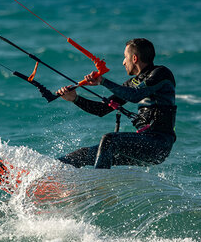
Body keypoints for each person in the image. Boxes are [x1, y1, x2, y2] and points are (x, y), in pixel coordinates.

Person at [56, 38, 177, 169]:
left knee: (109, 140)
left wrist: (102, 81)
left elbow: (135, 95)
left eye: (125, 57)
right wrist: (75, 98)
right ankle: (53, 171)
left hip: (158, 144)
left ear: (134, 58)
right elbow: (101, 109)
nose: (123, 62)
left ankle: (99, 184)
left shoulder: (161, 74)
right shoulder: (132, 84)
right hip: (142, 143)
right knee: (82, 154)